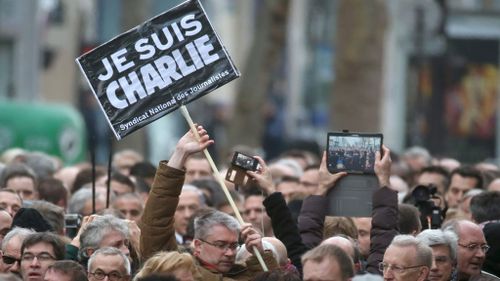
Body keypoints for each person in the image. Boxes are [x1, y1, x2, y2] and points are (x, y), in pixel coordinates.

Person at [140, 125, 277, 280]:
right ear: (198, 245)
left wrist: (260, 255)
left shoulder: (244, 274)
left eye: (233, 245)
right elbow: (157, 223)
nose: (230, 253)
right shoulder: (180, 271)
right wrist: (180, 154)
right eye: (220, 245)